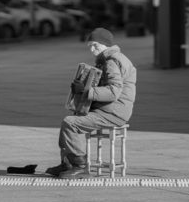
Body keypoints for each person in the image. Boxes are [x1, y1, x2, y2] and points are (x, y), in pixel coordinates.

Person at [46, 28, 137, 179]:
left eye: (95, 45)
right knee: (73, 117)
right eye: (90, 45)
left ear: (105, 44)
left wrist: (86, 90)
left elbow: (114, 92)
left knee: (70, 123)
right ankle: (67, 163)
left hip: (114, 112)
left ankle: (80, 167)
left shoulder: (112, 62)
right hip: (109, 110)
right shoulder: (111, 59)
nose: (92, 49)